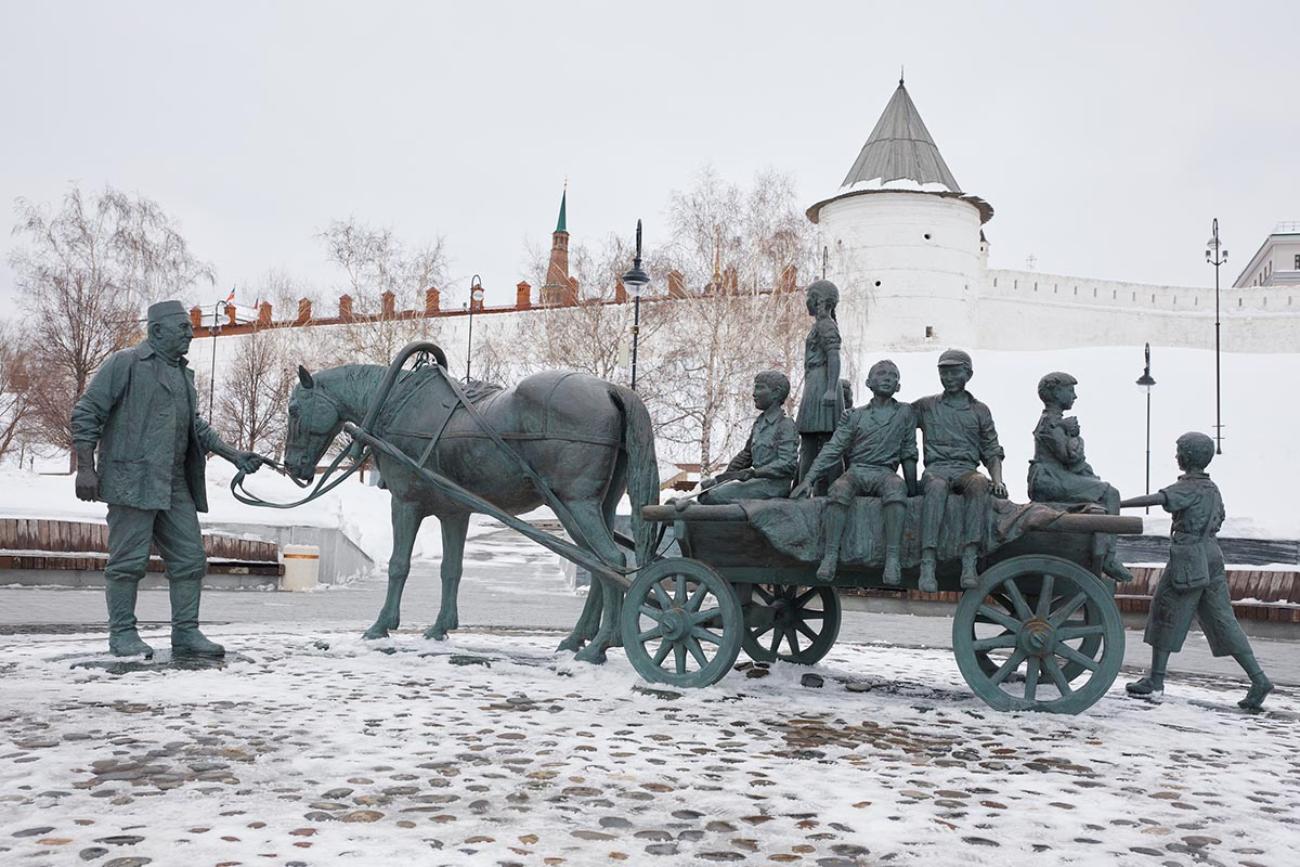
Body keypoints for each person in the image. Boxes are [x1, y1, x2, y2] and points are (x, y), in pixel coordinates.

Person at [71, 300, 268, 658]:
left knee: (191, 560)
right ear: (156, 331)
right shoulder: (125, 364)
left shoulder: (183, 374)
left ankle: (186, 633)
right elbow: (88, 412)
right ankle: (122, 635)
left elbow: (194, 426)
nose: (190, 333)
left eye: (189, 329)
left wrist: (233, 453)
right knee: (127, 563)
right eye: (183, 328)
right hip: (133, 481)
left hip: (175, 484)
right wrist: (85, 467)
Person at [1121, 432, 1272, 710]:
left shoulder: (1189, 487)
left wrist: (1118, 504)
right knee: (1222, 619)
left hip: (1188, 558)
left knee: (1165, 611)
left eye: (1179, 450)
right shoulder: (1212, 488)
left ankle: (1156, 680)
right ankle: (1259, 679)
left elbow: (1157, 499)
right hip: (1211, 555)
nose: (1176, 455)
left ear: (1188, 456)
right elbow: (1220, 518)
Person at [792, 360, 917, 585]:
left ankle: (892, 559)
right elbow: (833, 449)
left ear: (898, 385)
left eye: (892, 375)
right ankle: (830, 556)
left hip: (885, 472)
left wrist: (913, 489)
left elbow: (909, 452)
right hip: (858, 470)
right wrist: (809, 479)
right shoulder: (854, 416)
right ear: (869, 382)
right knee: (838, 489)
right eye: (881, 373)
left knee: (897, 490)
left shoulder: (905, 413)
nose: (887, 377)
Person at [912, 349, 1006, 591]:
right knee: (935, 487)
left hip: (966, 469)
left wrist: (998, 480)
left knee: (979, 483)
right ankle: (927, 563)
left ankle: (969, 560)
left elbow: (992, 449)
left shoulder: (980, 411)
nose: (949, 377)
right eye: (944, 372)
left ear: (968, 374)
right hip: (937, 469)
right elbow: (894, 418)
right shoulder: (925, 406)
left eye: (955, 372)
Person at [1027, 372, 1133, 582]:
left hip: (1054, 477)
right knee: (1110, 494)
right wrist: (1074, 436)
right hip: (1049, 480)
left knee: (1102, 491)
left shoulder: (1055, 422)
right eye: (1070, 390)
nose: (1074, 396)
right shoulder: (1050, 423)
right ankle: (1108, 558)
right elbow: (1071, 458)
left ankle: (1103, 553)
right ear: (1056, 392)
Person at [698, 371, 798, 504]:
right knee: (706, 492)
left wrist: (755, 473)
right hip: (756, 483)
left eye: (760, 388)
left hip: (773, 487)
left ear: (776, 392)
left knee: (712, 497)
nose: (754, 393)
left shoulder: (785, 424)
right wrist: (721, 479)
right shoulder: (759, 422)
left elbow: (787, 464)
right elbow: (746, 456)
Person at [795, 279, 845, 494]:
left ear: (818, 300)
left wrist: (831, 389)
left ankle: (830, 489)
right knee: (809, 441)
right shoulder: (820, 325)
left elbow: (834, 356)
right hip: (815, 382)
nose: (806, 301)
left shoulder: (825, 325)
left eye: (809, 296)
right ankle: (803, 488)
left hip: (822, 383)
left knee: (826, 442)